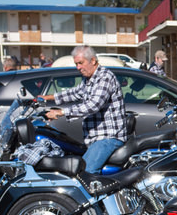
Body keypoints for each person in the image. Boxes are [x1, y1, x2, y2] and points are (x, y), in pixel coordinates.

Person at [40, 45, 127, 174]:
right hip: (96, 138)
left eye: (81, 63)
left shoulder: (104, 77)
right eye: (76, 64)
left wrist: (62, 112)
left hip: (108, 137)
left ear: (93, 60)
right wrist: (48, 98)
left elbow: (93, 105)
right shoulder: (89, 79)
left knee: (85, 172)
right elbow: (75, 93)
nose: (78, 67)